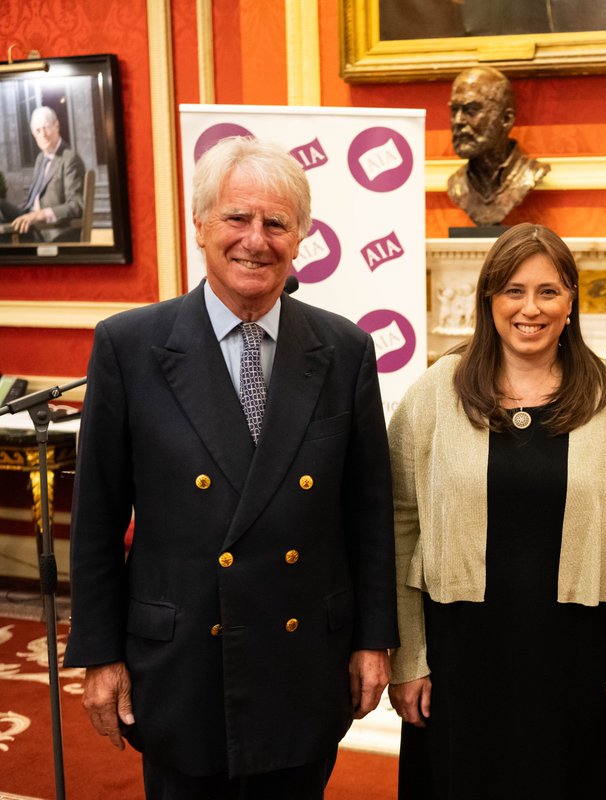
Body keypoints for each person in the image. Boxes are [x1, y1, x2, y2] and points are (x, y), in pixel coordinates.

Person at [63, 136, 398, 799]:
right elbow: (97, 518)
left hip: (302, 662)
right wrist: (98, 654)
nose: (256, 240)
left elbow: (369, 514)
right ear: (199, 226)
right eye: (237, 218)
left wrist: (374, 639)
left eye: (277, 223)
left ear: (300, 238)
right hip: (182, 662)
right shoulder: (129, 346)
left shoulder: (345, 349)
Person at [387, 222, 606, 799]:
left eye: (548, 291)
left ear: (571, 302)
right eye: (513, 290)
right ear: (489, 299)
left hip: (580, 658)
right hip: (461, 657)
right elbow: (399, 524)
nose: (530, 308)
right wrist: (408, 658)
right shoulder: (435, 392)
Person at [446, 66, 549, 227]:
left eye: (471, 111)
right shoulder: (457, 185)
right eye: (454, 111)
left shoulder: (530, 174)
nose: (458, 121)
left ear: (506, 120)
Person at [0, 106, 87, 242]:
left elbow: (76, 206)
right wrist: (27, 215)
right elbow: (33, 200)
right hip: (31, 220)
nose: (43, 135)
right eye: (38, 131)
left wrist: (38, 215)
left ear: (56, 126)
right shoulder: (41, 158)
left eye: (46, 128)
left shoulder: (70, 159)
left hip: (49, 230)